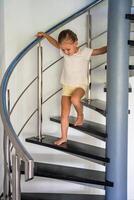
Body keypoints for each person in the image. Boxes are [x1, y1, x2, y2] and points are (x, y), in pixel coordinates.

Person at [36, 29, 107, 145]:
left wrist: (112, 45)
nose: (65, 52)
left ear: (76, 43)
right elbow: (55, 43)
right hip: (66, 87)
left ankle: (80, 114)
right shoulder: (63, 50)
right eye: (63, 49)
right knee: (64, 114)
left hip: (80, 86)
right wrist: (45, 35)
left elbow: (99, 51)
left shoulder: (84, 52)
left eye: (68, 49)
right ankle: (63, 137)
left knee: (75, 99)